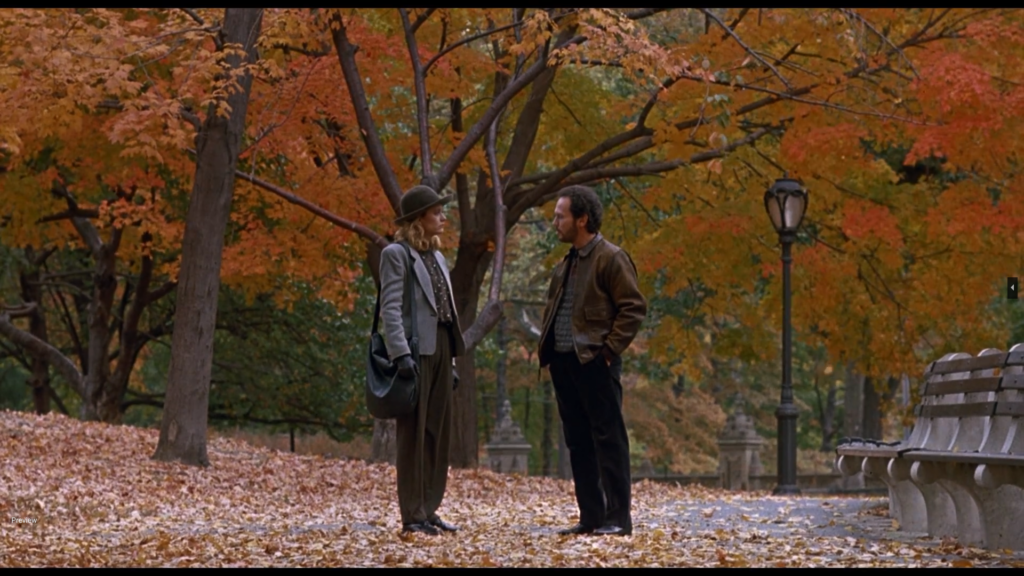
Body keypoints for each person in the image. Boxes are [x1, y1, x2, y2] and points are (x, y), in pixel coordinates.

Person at [538, 184, 648, 537]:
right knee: (578, 442)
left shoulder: (611, 258)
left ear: (582, 219)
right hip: (564, 362)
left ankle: (618, 519)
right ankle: (591, 517)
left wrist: (608, 352)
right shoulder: (566, 263)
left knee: (609, 440)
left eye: (561, 216)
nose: (555, 222)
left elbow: (633, 308)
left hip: (595, 362)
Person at [379, 184, 466, 536]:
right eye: (436, 213)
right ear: (418, 218)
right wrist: (400, 353)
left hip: (443, 346)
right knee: (413, 434)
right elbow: (390, 308)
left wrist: (453, 363)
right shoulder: (396, 254)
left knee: (437, 432)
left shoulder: (437, 256)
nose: (442, 218)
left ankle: (429, 509)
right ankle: (412, 513)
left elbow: (446, 311)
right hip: (415, 351)